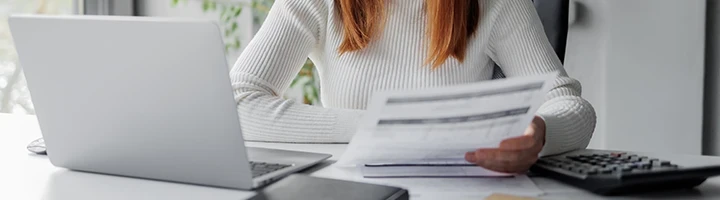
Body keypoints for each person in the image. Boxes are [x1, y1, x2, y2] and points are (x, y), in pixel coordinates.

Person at [229, 0, 596, 173]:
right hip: (356, 191)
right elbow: (237, 103)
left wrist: (540, 134)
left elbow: (570, 106)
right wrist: (394, 126)